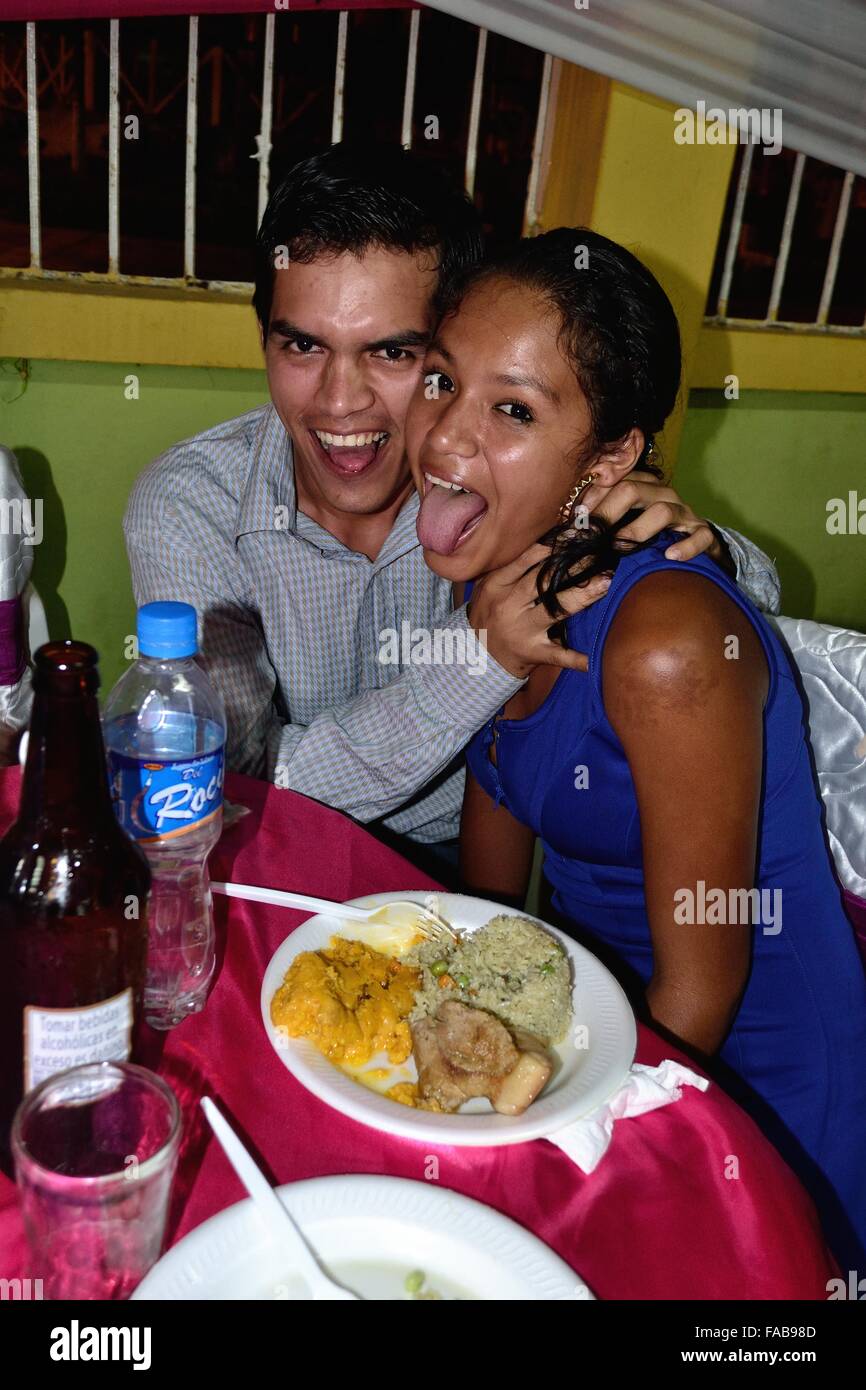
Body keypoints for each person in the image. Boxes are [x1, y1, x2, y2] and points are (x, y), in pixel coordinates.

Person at [405, 227, 866, 1270]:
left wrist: (540, 1125)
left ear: (609, 457)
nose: (441, 438)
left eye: (511, 410)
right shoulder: (504, 579)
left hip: (738, 1077)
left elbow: (703, 988)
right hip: (591, 1017)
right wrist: (445, 1034)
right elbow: (490, 890)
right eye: (442, 379)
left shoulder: (661, 644)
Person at [124, 142, 778, 875]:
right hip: (270, 860)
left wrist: (700, 549)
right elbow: (235, 788)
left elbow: (732, 619)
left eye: (394, 354)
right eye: (303, 345)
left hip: (463, 861)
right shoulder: (190, 504)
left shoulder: (508, 483)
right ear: (265, 340)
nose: (340, 401)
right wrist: (478, 655)